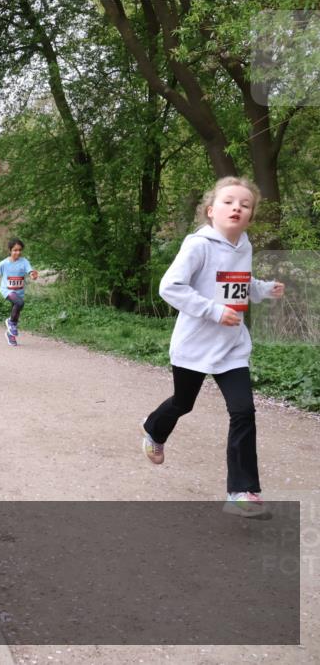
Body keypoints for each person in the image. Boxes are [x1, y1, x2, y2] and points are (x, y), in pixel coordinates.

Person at [140, 177, 284, 517]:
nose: (237, 207)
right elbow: (170, 287)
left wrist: (263, 290)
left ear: (250, 217)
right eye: (229, 201)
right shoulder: (198, 245)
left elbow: (238, 284)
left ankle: (241, 491)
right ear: (210, 211)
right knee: (183, 403)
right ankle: (153, 428)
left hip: (232, 348)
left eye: (245, 205)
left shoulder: (244, 246)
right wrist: (214, 311)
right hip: (195, 345)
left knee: (243, 411)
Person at [0, 238, 38, 347]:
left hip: (19, 291)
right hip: (7, 290)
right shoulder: (4, 263)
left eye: (19, 250)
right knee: (19, 303)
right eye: (15, 250)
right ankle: (10, 323)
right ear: (10, 250)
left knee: (16, 312)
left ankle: (10, 334)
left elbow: (30, 271)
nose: (17, 252)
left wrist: (33, 275)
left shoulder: (24, 261)